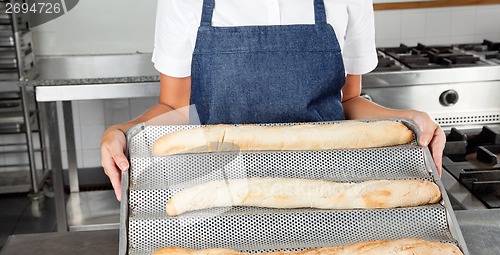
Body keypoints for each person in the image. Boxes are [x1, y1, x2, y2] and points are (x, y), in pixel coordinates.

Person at [101, 0, 445, 201]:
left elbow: (349, 102)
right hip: (218, 192)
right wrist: (124, 130)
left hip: (328, 190)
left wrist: (410, 117)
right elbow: (176, 109)